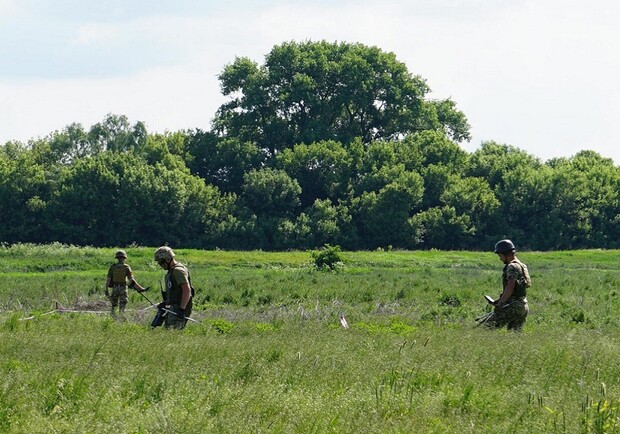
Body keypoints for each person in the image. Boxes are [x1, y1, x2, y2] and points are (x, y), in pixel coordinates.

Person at [486, 239, 531, 331]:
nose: (500, 258)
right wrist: (499, 300)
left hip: (513, 306)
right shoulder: (521, 265)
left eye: (500, 255)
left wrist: (501, 303)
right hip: (523, 306)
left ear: (507, 254)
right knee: (514, 336)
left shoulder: (512, 266)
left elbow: (511, 285)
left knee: (486, 328)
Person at [154, 246, 194, 329]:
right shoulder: (171, 272)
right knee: (168, 331)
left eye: (161, 262)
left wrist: (181, 310)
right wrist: (165, 303)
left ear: (168, 259)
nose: (160, 265)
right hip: (174, 307)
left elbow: (187, 290)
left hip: (179, 308)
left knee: (172, 331)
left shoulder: (178, 271)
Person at [105, 250, 146, 316]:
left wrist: (106, 289)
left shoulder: (113, 267)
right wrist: (131, 286)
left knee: (114, 304)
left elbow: (108, 279)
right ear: (124, 258)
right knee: (123, 303)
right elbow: (131, 279)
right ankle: (121, 315)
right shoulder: (127, 267)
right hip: (123, 287)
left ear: (117, 258)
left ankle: (113, 316)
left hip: (115, 287)